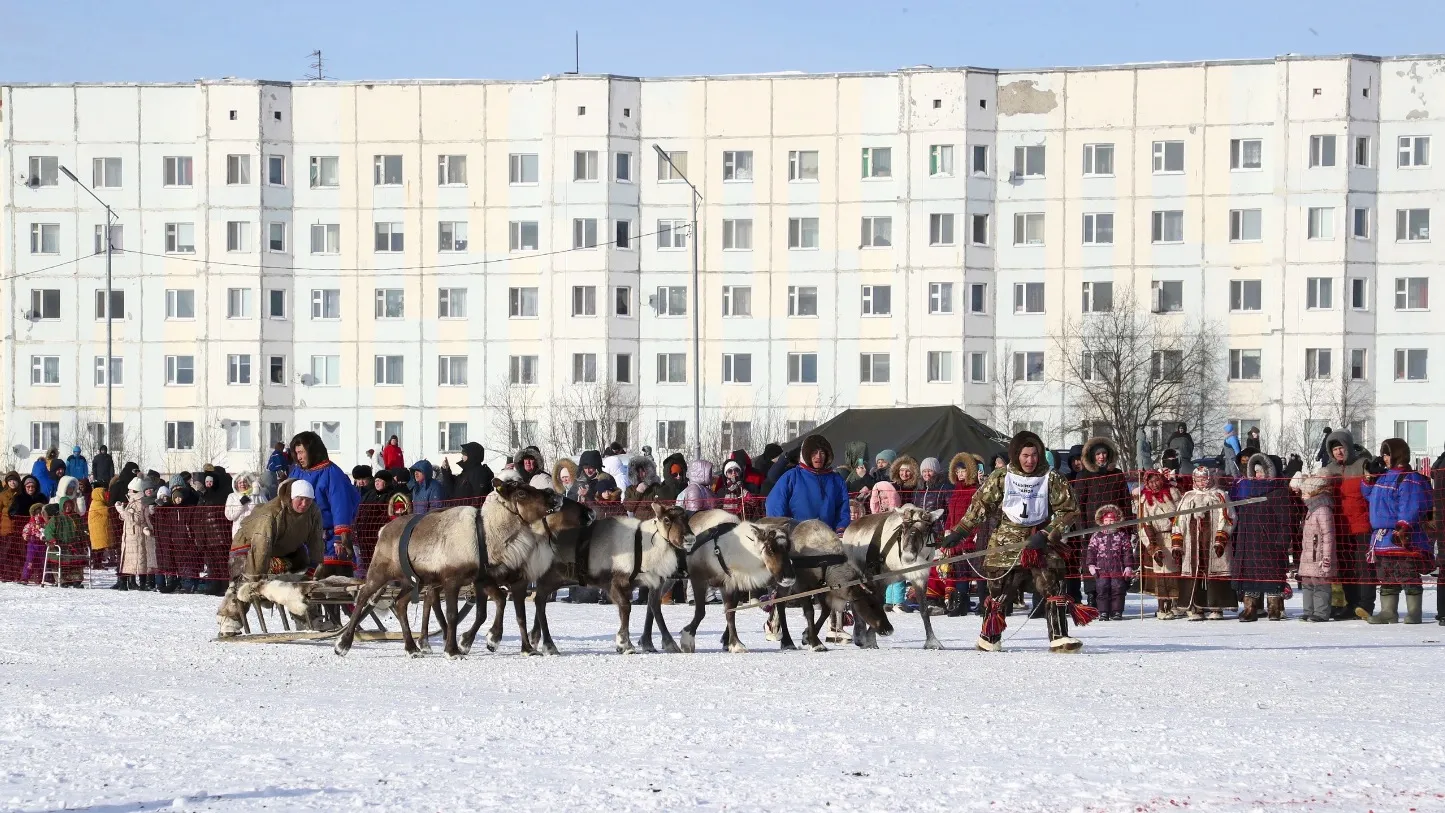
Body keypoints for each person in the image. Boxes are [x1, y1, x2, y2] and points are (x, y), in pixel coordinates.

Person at [941, 431, 1086, 652]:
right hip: (1006, 544)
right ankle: (989, 637)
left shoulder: (1052, 477)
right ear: (1016, 454)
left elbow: (1069, 511)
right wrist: (960, 532)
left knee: (1053, 585)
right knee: (999, 591)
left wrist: (1048, 532)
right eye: (1025, 455)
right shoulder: (1001, 477)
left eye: (1034, 455)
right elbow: (980, 506)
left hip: (1041, 541)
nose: (1030, 460)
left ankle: (1059, 636)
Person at [216, 479, 325, 637]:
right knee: (244, 583)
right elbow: (261, 546)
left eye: (308, 500)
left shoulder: (313, 512)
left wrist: (316, 567)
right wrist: (258, 580)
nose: (304, 504)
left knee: (302, 578)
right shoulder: (271, 514)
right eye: (300, 499)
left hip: (283, 547)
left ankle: (308, 618)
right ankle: (229, 620)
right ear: (291, 497)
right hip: (248, 546)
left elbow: (316, 540)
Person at [1361, 438, 1432, 625]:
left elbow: (1411, 504)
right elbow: (1369, 496)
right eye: (1383, 454)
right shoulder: (1383, 477)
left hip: (1401, 535)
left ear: (1397, 454)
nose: (1384, 458)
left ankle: (1414, 611)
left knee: (1407, 573)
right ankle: (1388, 611)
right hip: (1382, 537)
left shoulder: (1410, 478)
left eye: (1387, 454)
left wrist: (1403, 526)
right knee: (1386, 575)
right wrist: (1368, 479)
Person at [1071, 436, 1133, 608]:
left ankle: (1116, 599)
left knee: (1117, 561)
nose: (1101, 457)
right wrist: (1081, 528)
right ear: (1092, 456)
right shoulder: (1083, 475)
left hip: (1116, 528)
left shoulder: (1117, 474)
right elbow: (1079, 505)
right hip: (1091, 528)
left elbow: (1125, 500)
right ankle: (1092, 595)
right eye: (1098, 454)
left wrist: (1128, 525)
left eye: (1104, 453)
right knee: (1092, 562)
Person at [287, 431, 360, 575]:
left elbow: (341, 505)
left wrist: (340, 537)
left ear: (312, 450)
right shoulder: (297, 473)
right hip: (302, 538)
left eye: (302, 452)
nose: (299, 457)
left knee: (331, 584)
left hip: (329, 540)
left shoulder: (332, 473)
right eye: (297, 453)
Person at [1230, 453, 1292, 621]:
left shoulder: (1279, 492)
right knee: (1250, 578)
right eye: (1255, 471)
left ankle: (1274, 608)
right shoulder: (1248, 491)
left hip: (1270, 544)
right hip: (1249, 543)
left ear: (1270, 471)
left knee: (1272, 577)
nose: (1258, 474)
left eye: (1262, 471)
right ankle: (1250, 608)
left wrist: (1281, 542)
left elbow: (1286, 521)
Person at [1320, 429, 1374, 620]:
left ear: (1349, 447)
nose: (1338, 452)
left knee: (1364, 568)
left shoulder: (1362, 465)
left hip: (1361, 525)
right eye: (1335, 449)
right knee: (1345, 567)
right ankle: (1351, 604)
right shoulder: (1329, 470)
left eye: (1341, 447)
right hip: (1339, 527)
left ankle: (1366, 605)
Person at [1176, 466, 1236, 620]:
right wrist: (1177, 541)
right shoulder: (1188, 497)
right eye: (1198, 479)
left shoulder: (1220, 495)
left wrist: (1221, 539)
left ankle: (1216, 607)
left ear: (1210, 478)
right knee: (1195, 571)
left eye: (1204, 478)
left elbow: (1229, 517)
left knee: (1214, 571)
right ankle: (1197, 607)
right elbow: (1178, 520)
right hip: (1192, 544)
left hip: (1213, 543)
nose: (1201, 482)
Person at [766, 434, 850, 532]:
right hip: (798, 539)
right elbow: (775, 504)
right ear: (806, 454)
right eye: (814, 452)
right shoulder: (792, 477)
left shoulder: (836, 480)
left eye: (822, 452)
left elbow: (842, 509)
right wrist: (781, 530)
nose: (818, 456)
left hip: (827, 537)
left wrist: (841, 528)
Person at [1135, 469, 1183, 620]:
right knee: (1161, 573)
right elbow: (1143, 523)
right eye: (1151, 482)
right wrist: (1152, 546)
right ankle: (1162, 606)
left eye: (1157, 480)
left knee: (1175, 570)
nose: (1154, 484)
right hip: (1157, 538)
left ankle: (1176, 603)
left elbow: (1181, 515)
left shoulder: (1173, 493)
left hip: (1173, 534)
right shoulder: (1144, 499)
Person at [1290, 472, 1336, 622]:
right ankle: (1308, 610)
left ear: (1314, 492)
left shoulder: (1322, 509)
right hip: (1309, 555)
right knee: (1308, 583)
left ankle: (1321, 612)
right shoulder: (1311, 509)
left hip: (1320, 556)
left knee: (1321, 584)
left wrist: (1327, 557)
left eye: (1305, 492)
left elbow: (1328, 535)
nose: (1302, 495)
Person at [1085, 504, 1136, 621]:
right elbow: (1091, 551)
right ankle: (1103, 612)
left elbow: (1127, 552)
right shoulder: (1097, 535)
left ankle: (1117, 611)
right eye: (1106, 520)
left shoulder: (1122, 535)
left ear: (1117, 521)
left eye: (1111, 520)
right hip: (1101, 568)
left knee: (1118, 589)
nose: (1109, 522)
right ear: (1102, 521)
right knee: (1102, 589)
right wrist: (1091, 564)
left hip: (1117, 568)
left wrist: (1128, 566)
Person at [117, 478, 156, 591]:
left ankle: (140, 583)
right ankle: (125, 583)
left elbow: (137, 518)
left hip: (136, 535)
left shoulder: (139, 503)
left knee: (138, 560)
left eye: (131, 490)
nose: (129, 492)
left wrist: (121, 511)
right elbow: (127, 517)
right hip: (129, 535)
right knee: (127, 560)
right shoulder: (132, 502)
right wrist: (123, 512)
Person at [87, 481, 112, 568]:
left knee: (99, 548)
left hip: (99, 529)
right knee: (98, 548)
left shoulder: (96, 502)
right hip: (98, 530)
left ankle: (98, 563)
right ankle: (97, 564)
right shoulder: (98, 503)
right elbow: (107, 512)